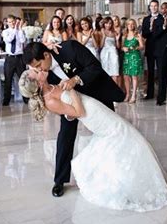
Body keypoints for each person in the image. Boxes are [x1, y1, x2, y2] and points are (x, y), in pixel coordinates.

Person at [19, 69, 167, 212]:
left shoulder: (51, 86)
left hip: (95, 107)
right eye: (35, 72)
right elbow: (79, 112)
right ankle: (134, 183)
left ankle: (131, 178)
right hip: (91, 116)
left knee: (123, 132)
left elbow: (70, 112)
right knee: (122, 133)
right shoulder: (50, 101)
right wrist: (71, 89)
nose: (38, 70)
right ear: (38, 83)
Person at [22, 40, 125, 197]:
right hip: (70, 103)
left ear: (46, 55)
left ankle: (117, 168)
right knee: (65, 136)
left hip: (95, 93)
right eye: (35, 68)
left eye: (38, 65)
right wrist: (67, 113)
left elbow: (95, 67)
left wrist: (75, 80)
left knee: (111, 130)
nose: (39, 70)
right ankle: (59, 180)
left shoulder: (69, 48)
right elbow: (45, 94)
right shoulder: (44, 71)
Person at [1, 14, 27, 105]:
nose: (12, 23)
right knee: (8, 79)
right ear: (7, 23)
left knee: (23, 79)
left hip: (19, 58)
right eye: (10, 22)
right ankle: (6, 100)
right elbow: (9, 40)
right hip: (10, 58)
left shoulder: (20, 31)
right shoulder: (5, 32)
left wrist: (19, 29)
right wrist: (15, 30)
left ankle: (26, 99)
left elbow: (23, 41)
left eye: (13, 21)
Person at [141, 0, 163, 100]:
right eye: (152, 6)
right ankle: (150, 94)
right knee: (150, 72)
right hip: (150, 48)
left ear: (157, 7)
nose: (153, 8)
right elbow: (144, 33)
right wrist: (150, 30)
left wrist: (151, 31)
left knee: (160, 71)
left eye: (155, 6)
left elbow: (160, 33)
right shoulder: (146, 19)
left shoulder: (162, 18)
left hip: (159, 48)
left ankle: (160, 95)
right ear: (149, 7)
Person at [122, 18, 144, 103]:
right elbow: (121, 46)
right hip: (126, 57)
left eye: (132, 24)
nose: (130, 26)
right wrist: (123, 48)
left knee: (134, 76)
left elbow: (142, 47)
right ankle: (128, 94)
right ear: (126, 25)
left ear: (134, 25)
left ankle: (134, 95)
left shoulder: (137, 35)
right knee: (126, 76)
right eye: (129, 24)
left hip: (134, 57)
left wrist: (134, 47)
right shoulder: (124, 35)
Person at [100, 16, 121, 85]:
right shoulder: (102, 31)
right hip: (105, 52)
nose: (108, 25)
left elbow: (118, 46)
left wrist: (117, 40)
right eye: (106, 23)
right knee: (105, 72)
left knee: (115, 72)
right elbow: (100, 46)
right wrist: (103, 36)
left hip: (113, 52)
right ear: (104, 24)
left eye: (110, 23)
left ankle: (115, 92)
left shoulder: (114, 32)